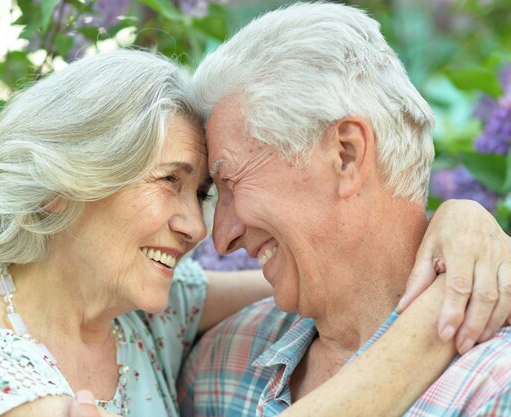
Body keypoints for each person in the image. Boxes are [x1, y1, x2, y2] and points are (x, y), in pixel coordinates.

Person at [0, 48, 508, 417]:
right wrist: (440, 321)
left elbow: (338, 276)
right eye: (169, 182)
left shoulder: (144, 317)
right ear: (64, 183)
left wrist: (461, 224)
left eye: (202, 193)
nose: (196, 227)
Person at [179, 3, 511, 417]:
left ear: (347, 154)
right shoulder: (216, 367)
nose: (221, 237)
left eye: (230, 181)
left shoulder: (495, 389)